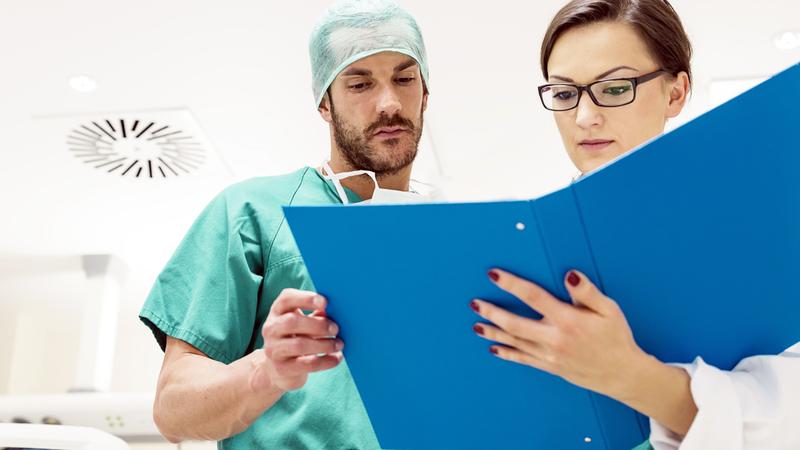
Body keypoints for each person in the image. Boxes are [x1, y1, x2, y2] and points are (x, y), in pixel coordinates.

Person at [469, 1, 800, 449]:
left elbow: (786, 416)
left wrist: (629, 376)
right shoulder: (522, 245)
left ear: (676, 92)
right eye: (565, 94)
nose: (584, 117)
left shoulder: (762, 227)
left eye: (615, 87)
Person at [139, 0, 430, 447]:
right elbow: (173, 409)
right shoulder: (254, 211)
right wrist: (266, 370)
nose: (389, 103)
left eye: (405, 79)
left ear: (425, 94)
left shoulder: (452, 233)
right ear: (324, 105)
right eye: (359, 83)